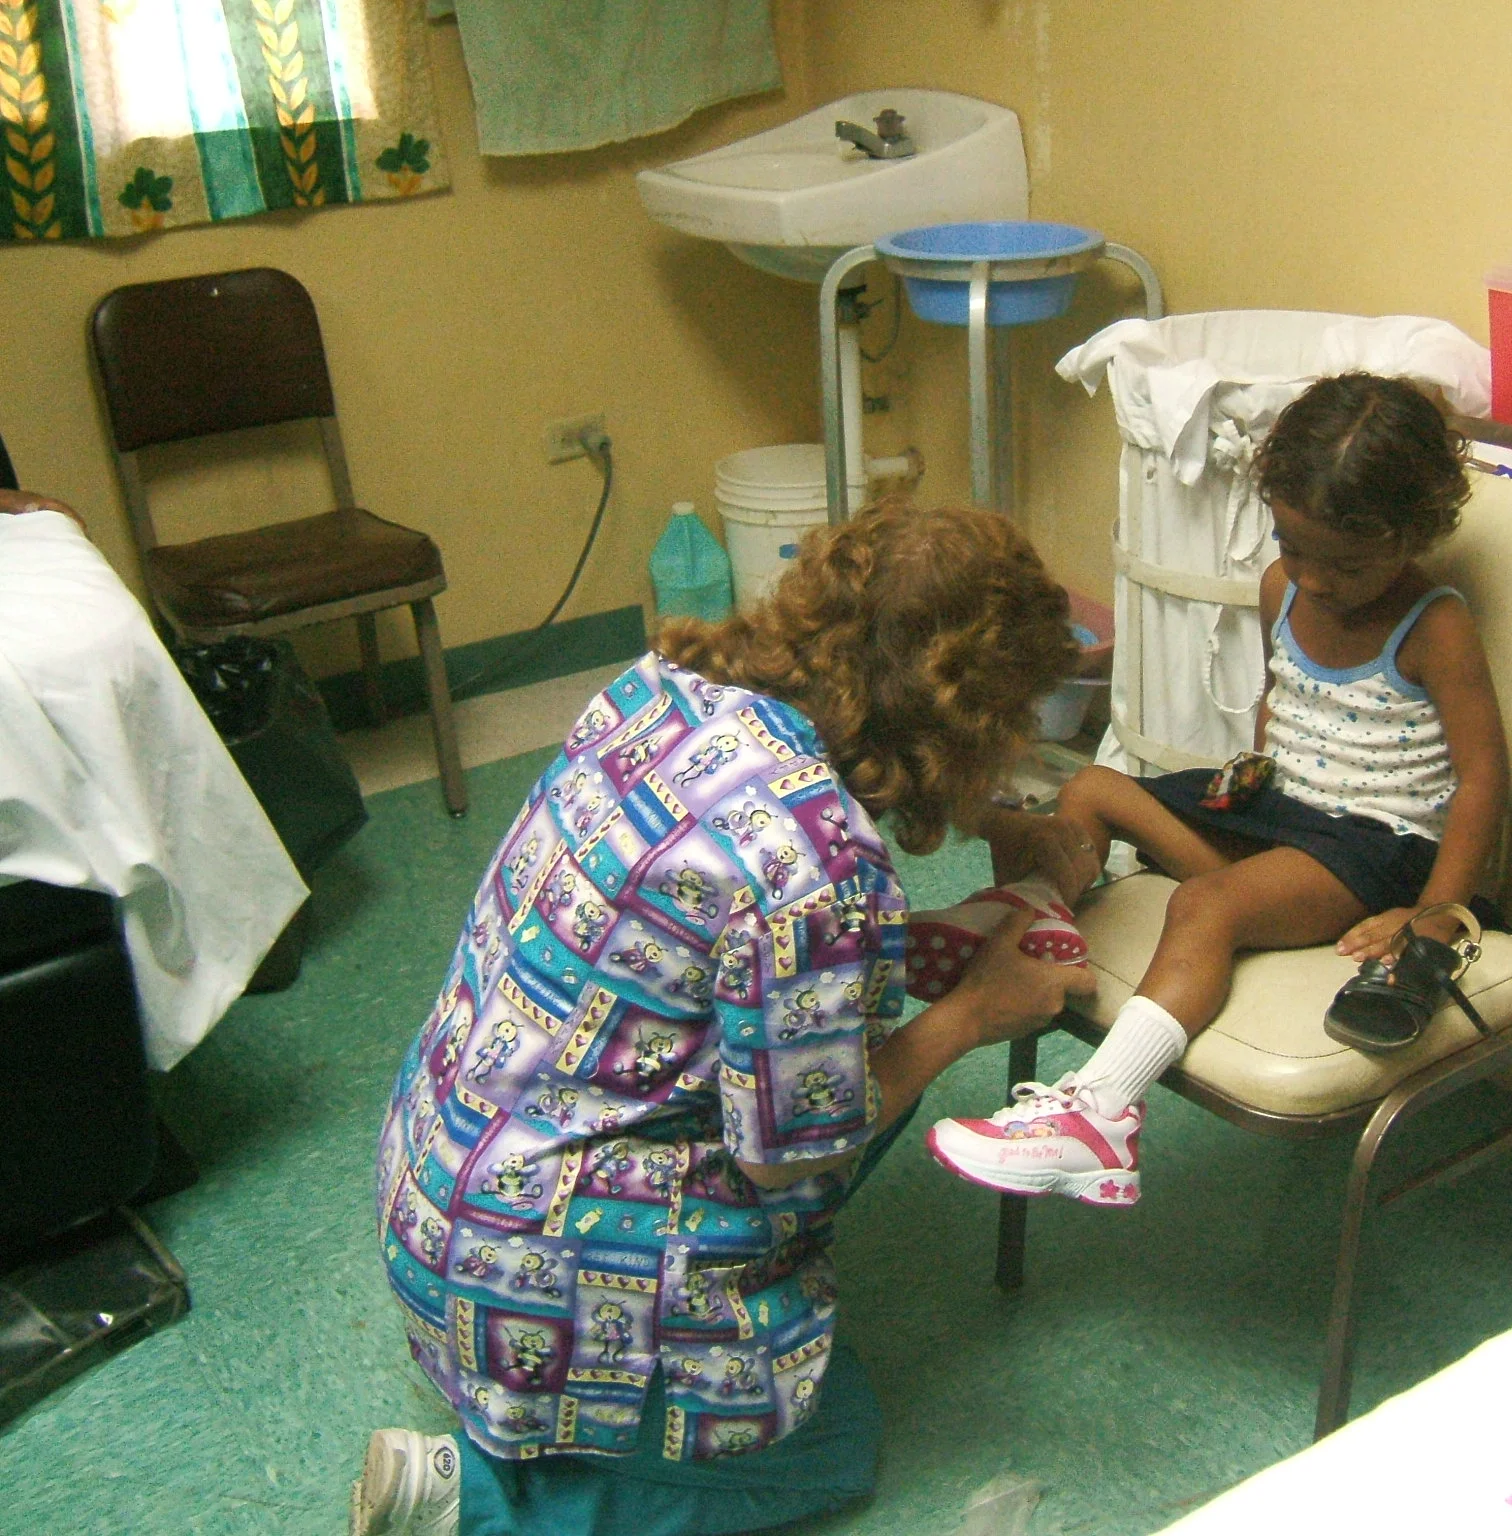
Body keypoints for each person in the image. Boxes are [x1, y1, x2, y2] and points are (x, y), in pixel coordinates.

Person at [355, 503, 1099, 1536]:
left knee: (817, 1082)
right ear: (975, 725)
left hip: (438, 1186)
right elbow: (787, 1159)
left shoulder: (655, 691)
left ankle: (539, 1430)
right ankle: (471, 1503)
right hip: (532, 1275)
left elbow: (709, 947)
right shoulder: (816, 870)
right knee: (833, 1451)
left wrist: (978, 852)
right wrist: (976, 1011)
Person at [926, 373, 1508, 1205]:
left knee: (1204, 907)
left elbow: (1484, 774)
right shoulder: (1284, 591)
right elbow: (1284, 697)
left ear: (1412, 534)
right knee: (1090, 787)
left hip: (1373, 852)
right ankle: (1028, 928)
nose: (1311, 578)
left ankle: (1099, 1119)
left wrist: (1440, 911)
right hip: (1285, 819)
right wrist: (1257, 771)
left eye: (1344, 563)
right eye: (1291, 545)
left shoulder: (1435, 627)